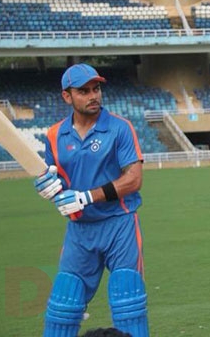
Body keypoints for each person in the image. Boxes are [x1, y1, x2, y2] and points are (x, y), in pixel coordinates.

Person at [33, 63, 149, 337]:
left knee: (128, 301)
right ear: (67, 96)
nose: (93, 95)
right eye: (83, 91)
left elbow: (133, 179)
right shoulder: (54, 135)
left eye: (96, 89)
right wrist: (48, 188)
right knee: (63, 308)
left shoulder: (120, 128)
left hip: (119, 224)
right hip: (80, 230)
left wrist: (86, 196)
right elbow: (56, 181)